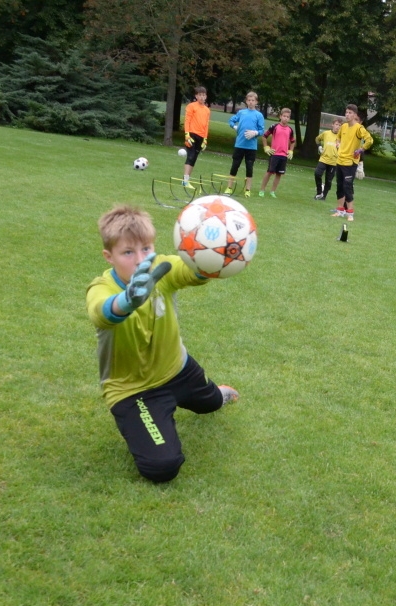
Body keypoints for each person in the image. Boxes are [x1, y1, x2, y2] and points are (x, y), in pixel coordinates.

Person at [85, 205, 239, 483]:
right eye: (128, 252)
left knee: (212, 403)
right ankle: (156, 418)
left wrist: (212, 258)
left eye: (146, 248)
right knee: (162, 467)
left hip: (178, 370)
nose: (140, 259)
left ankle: (215, 394)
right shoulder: (101, 288)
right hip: (134, 390)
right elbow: (102, 313)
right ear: (109, 256)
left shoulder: (161, 267)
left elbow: (190, 272)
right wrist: (128, 300)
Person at [331, 103, 373, 222]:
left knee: (347, 187)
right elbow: (338, 137)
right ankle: (340, 210)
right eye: (346, 112)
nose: (347, 115)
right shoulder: (343, 126)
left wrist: (361, 149)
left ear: (355, 115)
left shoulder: (359, 128)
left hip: (350, 162)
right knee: (339, 186)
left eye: (350, 113)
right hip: (340, 160)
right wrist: (338, 144)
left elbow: (369, 140)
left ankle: (350, 213)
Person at [225, 91, 265, 197]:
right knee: (235, 166)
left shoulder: (259, 115)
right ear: (246, 101)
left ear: (256, 102)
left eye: (253, 100)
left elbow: (261, 130)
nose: (251, 102)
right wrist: (234, 126)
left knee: (249, 167)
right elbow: (231, 121)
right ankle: (229, 187)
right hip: (239, 145)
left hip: (251, 147)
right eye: (249, 100)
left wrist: (255, 133)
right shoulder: (241, 112)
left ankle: (248, 189)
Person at [257, 108, 296, 198]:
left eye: (288, 117)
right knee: (269, 172)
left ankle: (272, 192)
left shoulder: (290, 129)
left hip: (284, 156)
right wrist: (266, 147)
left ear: (289, 118)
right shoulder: (274, 126)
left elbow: (293, 141)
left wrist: (291, 151)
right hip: (275, 154)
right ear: (280, 116)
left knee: (279, 174)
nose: (286, 118)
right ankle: (262, 190)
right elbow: (264, 136)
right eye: (284, 116)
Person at [182, 86, 210, 191]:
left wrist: (205, 139)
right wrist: (187, 135)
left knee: (194, 158)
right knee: (190, 156)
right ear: (196, 96)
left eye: (204, 95)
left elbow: (206, 125)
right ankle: (185, 180)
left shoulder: (207, 110)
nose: (202, 97)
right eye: (200, 95)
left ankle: (187, 180)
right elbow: (187, 120)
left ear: (206, 96)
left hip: (201, 137)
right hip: (192, 134)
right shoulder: (191, 106)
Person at [314, 118, 342, 200]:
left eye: (340, 125)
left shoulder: (341, 137)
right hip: (323, 159)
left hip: (334, 162)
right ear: (332, 125)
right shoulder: (326, 133)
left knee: (328, 180)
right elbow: (317, 139)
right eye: (336, 124)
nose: (338, 127)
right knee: (317, 174)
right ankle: (319, 192)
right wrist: (319, 147)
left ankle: (324, 196)